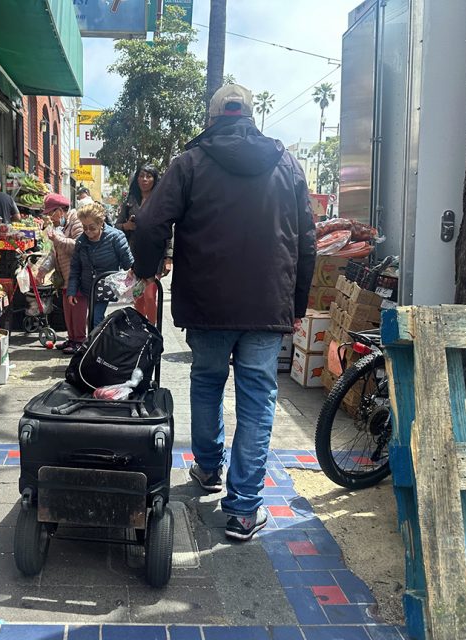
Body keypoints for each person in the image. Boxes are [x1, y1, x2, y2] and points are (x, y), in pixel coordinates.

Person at [131, 84, 316, 541]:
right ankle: (243, 509)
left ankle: (209, 471)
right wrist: (296, 303)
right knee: (257, 398)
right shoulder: (287, 163)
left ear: (213, 119)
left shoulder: (190, 162)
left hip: (208, 304)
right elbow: (307, 240)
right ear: (251, 117)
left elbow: (152, 222)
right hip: (266, 304)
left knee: (207, 384)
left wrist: (149, 270)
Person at [116, 165, 172, 324]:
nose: (145, 179)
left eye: (149, 176)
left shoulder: (162, 201)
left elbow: (169, 230)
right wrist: (126, 226)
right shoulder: (129, 201)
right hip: (135, 256)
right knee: (139, 298)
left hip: (156, 255)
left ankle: (152, 330)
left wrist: (169, 257)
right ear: (137, 178)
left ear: (155, 179)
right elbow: (117, 226)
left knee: (149, 296)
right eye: (141, 176)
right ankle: (141, 330)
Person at [68, 203, 133, 330]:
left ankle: (97, 347)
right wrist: (71, 291)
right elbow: (75, 268)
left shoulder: (115, 237)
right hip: (88, 286)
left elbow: (129, 263)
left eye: (91, 227)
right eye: (84, 227)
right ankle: (98, 344)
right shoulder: (81, 241)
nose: (87, 231)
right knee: (93, 318)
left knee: (95, 318)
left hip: (106, 287)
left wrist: (135, 284)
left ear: (100, 222)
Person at [42, 193, 85, 354]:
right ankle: (72, 339)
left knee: (77, 310)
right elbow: (55, 253)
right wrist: (43, 270)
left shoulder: (77, 222)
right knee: (68, 311)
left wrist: (58, 240)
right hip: (66, 277)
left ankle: (80, 340)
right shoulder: (62, 226)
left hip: (77, 276)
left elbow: (79, 246)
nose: (50, 219)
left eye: (51, 214)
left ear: (60, 211)